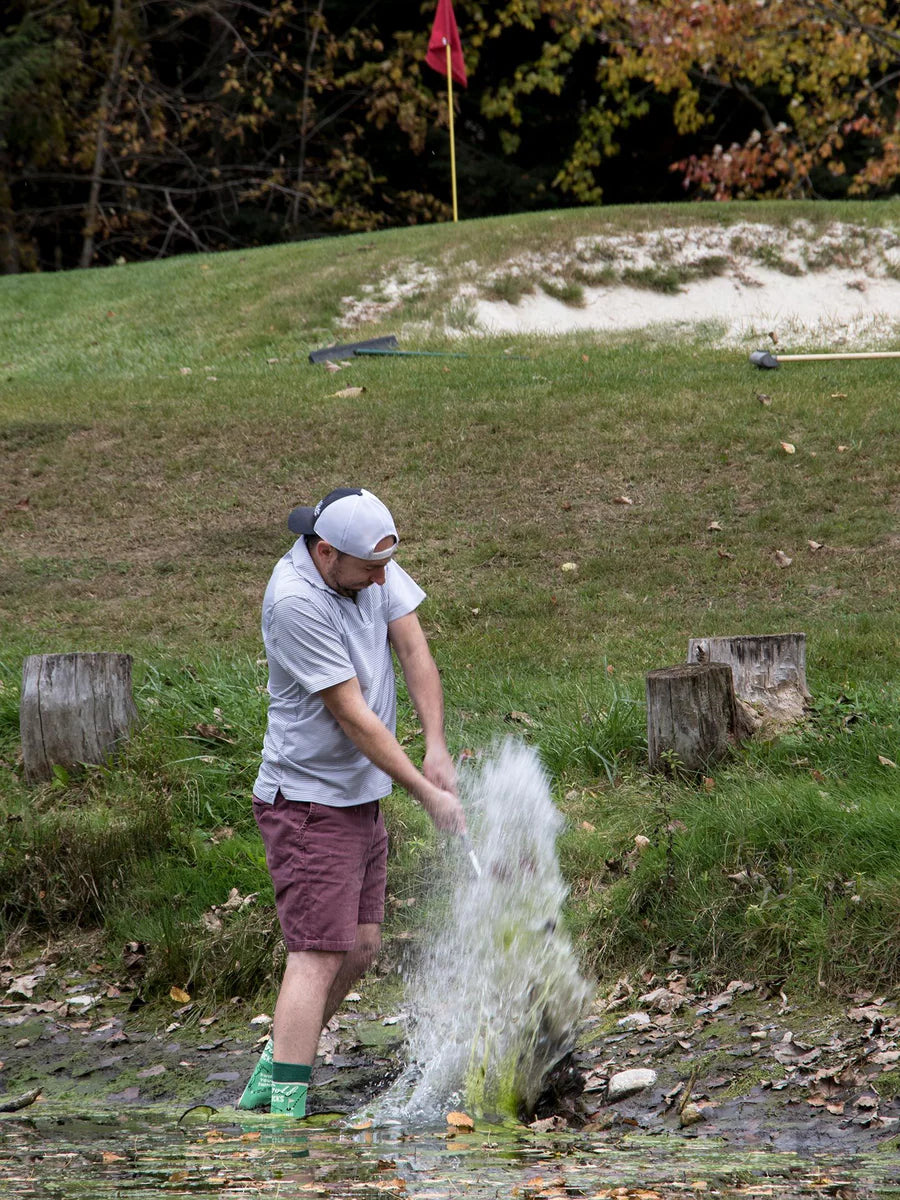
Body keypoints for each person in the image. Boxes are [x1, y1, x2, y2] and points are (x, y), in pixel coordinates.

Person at [238, 486, 465, 1117]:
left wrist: (437, 747)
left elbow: (414, 649)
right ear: (325, 551)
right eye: (371, 569)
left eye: (387, 565)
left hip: (358, 794)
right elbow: (354, 717)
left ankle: (279, 1060)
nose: (383, 579)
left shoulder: (369, 562)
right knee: (317, 952)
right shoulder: (293, 601)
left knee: (360, 949)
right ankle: (287, 1115)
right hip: (308, 802)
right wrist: (424, 794)